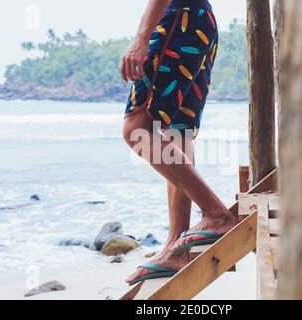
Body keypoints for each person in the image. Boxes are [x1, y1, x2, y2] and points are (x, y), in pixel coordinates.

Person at [120, 0, 237, 285]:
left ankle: (215, 214)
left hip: (180, 18)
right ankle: (177, 247)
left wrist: (141, 39)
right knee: (177, 134)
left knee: (136, 128)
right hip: (200, 21)